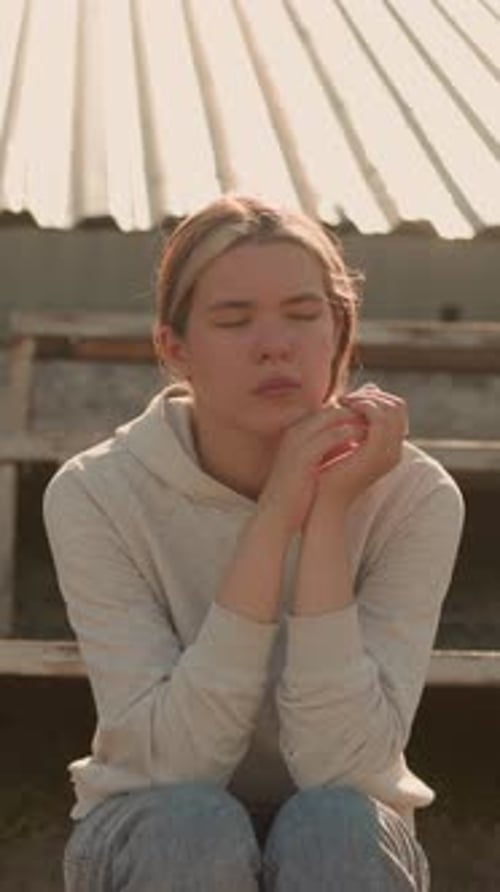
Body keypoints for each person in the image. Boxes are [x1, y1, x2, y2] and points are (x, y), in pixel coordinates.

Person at [44, 194, 464, 892]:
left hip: (346, 834)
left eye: (302, 315)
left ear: (339, 329)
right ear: (173, 348)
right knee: (191, 826)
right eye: (234, 320)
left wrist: (326, 512)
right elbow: (175, 767)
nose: (275, 344)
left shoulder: (415, 497)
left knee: (334, 824)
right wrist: (274, 516)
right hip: (151, 823)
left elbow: (344, 768)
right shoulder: (96, 493)